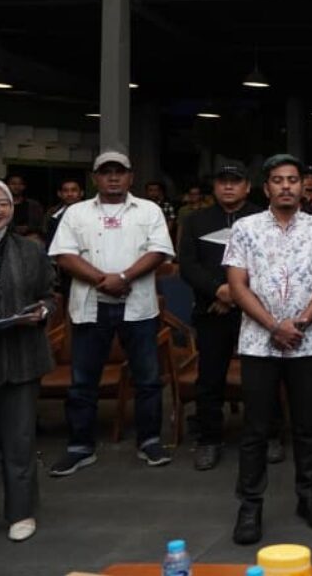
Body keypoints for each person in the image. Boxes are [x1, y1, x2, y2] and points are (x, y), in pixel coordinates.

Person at [222, 154, 312, 545]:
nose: (287, 186)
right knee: (256, 429)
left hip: (307, 342)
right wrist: (274, 325)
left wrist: (301, 322)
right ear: (267, 187)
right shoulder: (245, 228)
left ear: (303, 186)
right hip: (258, 343)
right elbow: (237, 284)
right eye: (278, 180)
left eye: (293, 179)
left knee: (307, 426)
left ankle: (311, 498)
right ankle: (250, 506)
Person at [47, 151, 176, 476]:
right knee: (83, 382)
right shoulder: (76, 212)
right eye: (106, 172)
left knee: (148, 380)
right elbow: (63, 255)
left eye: (120, 171)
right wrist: (103, 281)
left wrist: (124, 278)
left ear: (131, 177)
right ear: (95, 178)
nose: (113, 177)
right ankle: (80, 447)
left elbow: (159, 251)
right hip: (90, 306)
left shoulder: (149, 209)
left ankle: (149, 441)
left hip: (139, 308)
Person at [0, 178, 56, 547]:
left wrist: (42, 311)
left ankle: (21, 512)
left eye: (2, 203)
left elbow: (49, 295)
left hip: (21, 359)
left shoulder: (30, 250)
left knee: (19, 442)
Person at [177, 166, 264, 471]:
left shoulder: (262, 218)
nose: (228, 187)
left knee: (261, 377)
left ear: (247, 187)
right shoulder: (195, 220)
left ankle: (268, 435)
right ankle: (209, 440)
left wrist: (237, 295)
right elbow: (188, 265)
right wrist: (218, 291)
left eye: (235, 182)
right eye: (222, 182)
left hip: (257, 311)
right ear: (214, 187)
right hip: (212, 309)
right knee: (210, 378)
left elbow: (270, 262)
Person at [4, 174, 45, 238]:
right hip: (8, 238)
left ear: (24, 186)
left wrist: (29, 228)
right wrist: (14, 229)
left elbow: (41, 225)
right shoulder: (2, 205)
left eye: (20, 184)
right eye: (13, 184)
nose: (17, 186)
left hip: (30, 238)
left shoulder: (34, 205)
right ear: (7, 186)